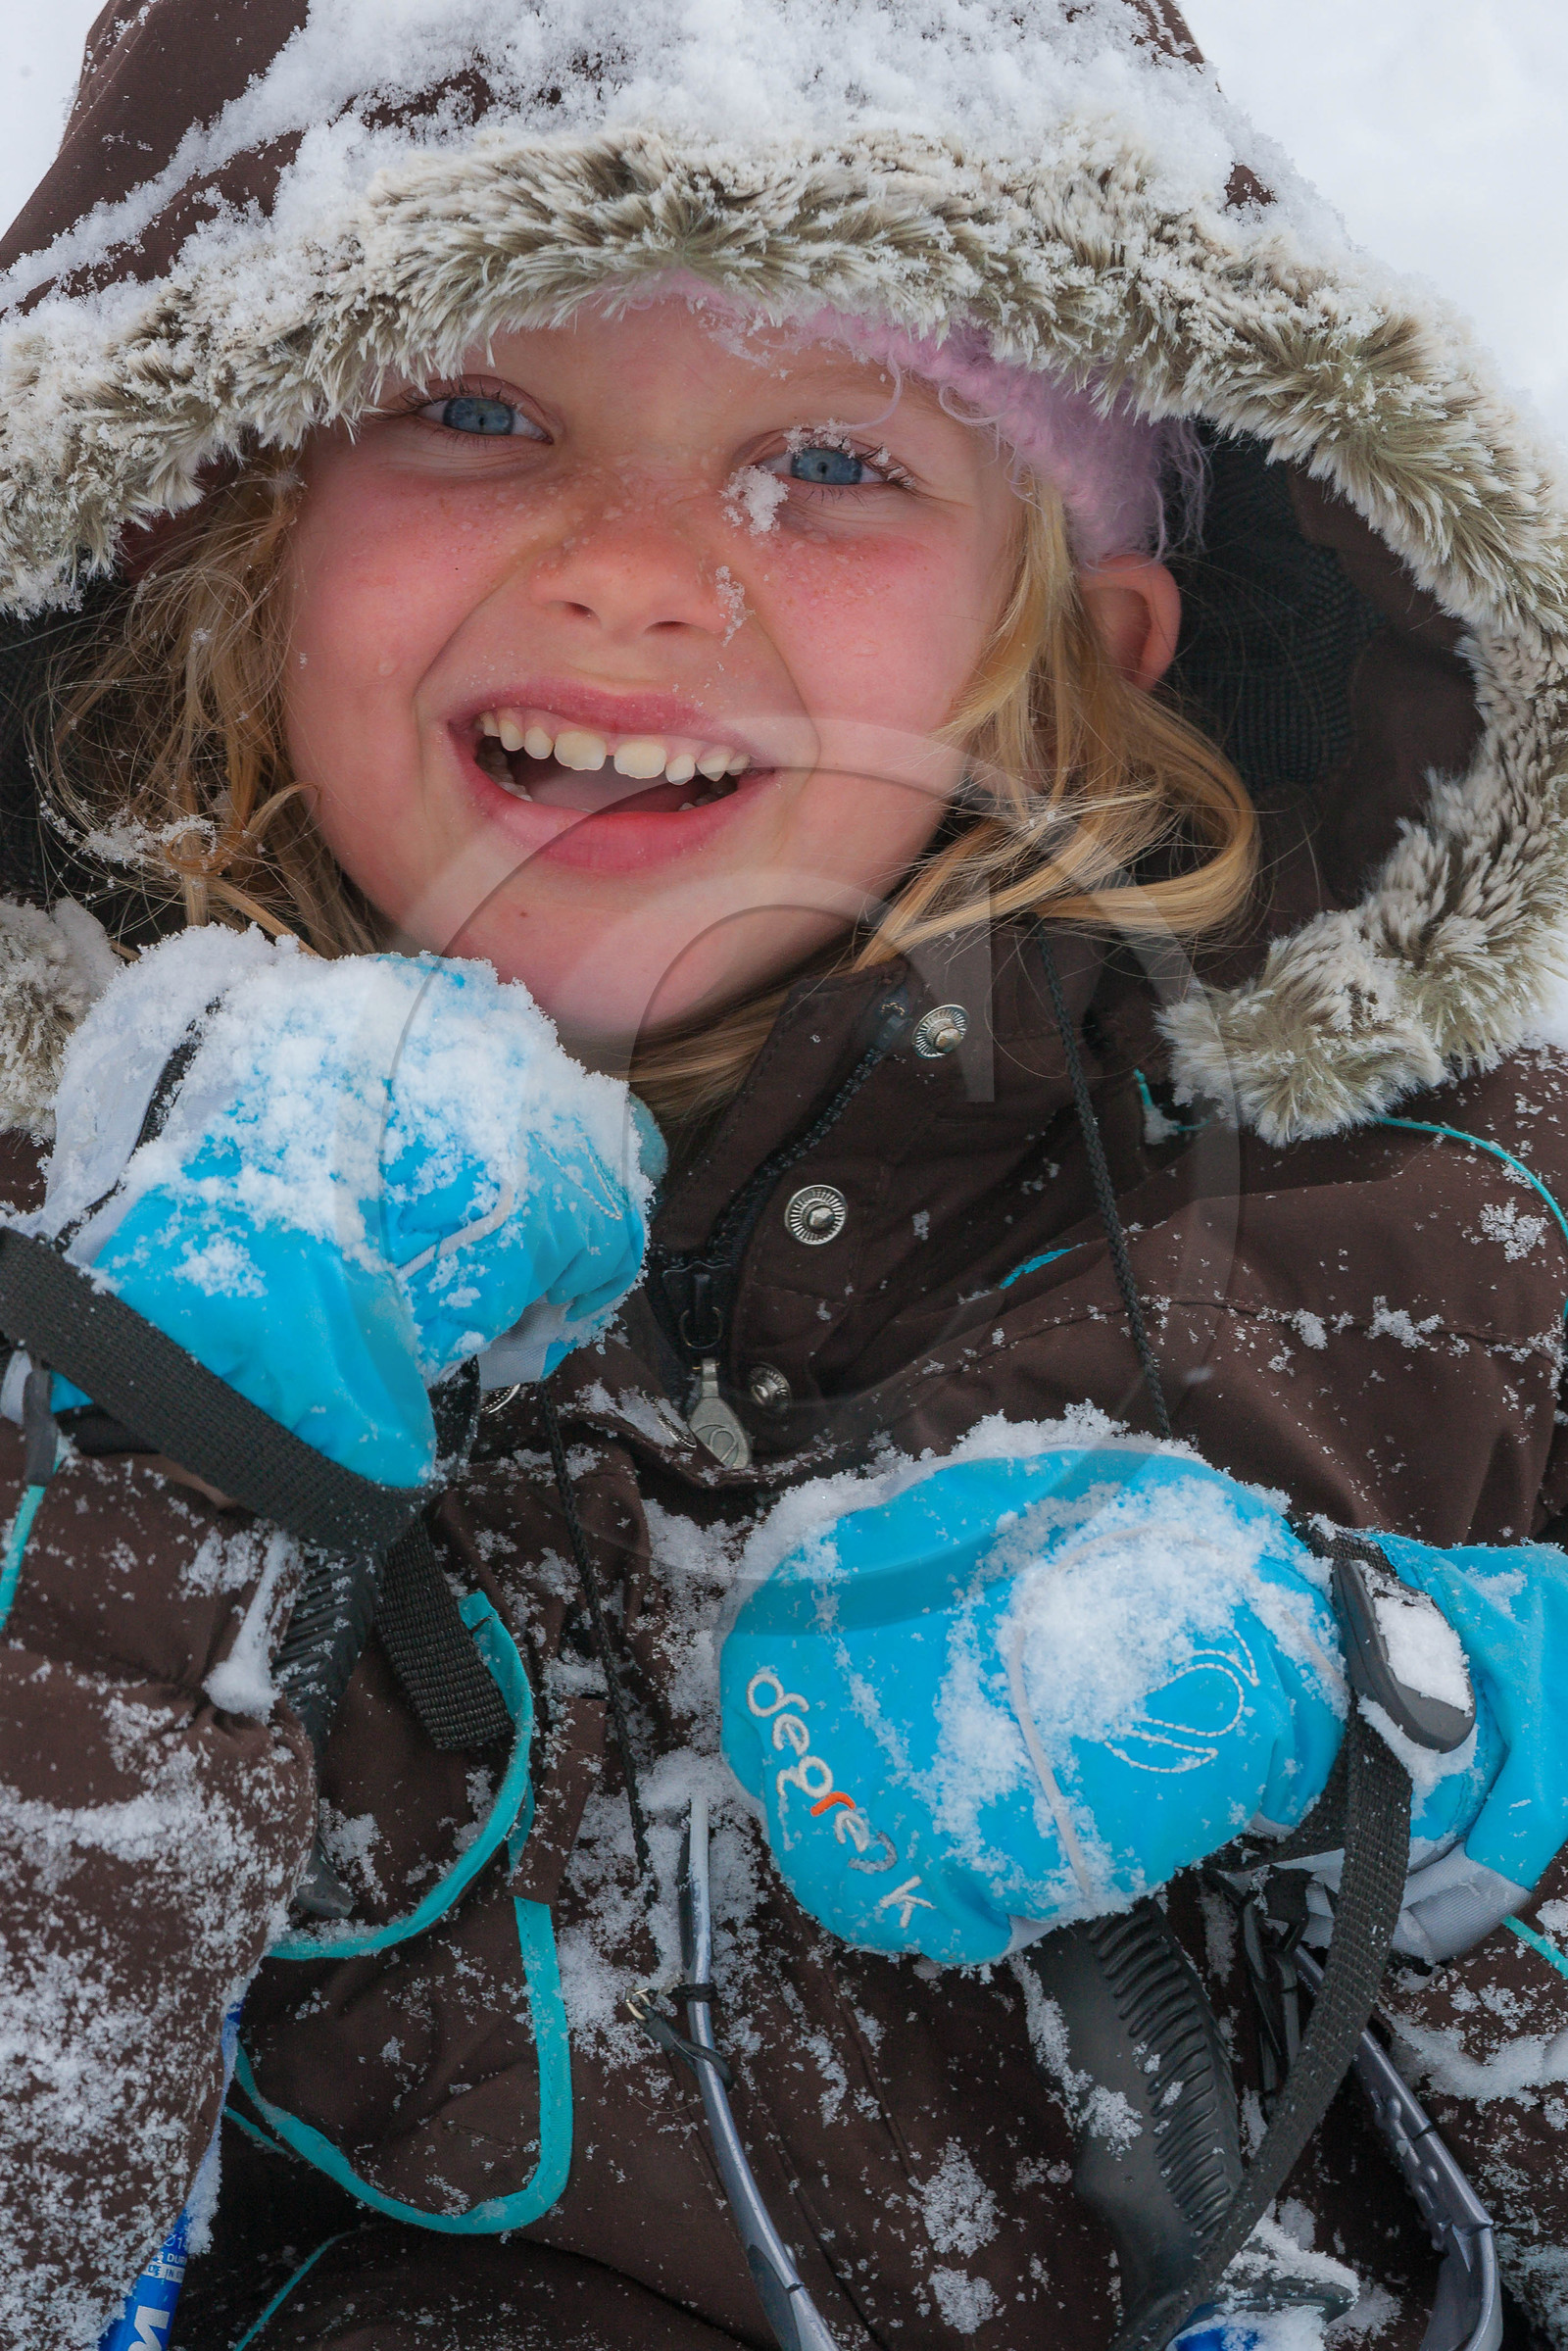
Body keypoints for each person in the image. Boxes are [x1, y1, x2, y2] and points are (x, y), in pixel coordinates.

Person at [0, 2, 1566, 2347]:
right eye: (474, 406)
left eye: (831, 457)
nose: (635, 569)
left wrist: (1418, 1747)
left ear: (1063, 655)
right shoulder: (60, 1248)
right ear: (223, 523)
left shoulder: (1423, 1236)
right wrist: (147, 1483)